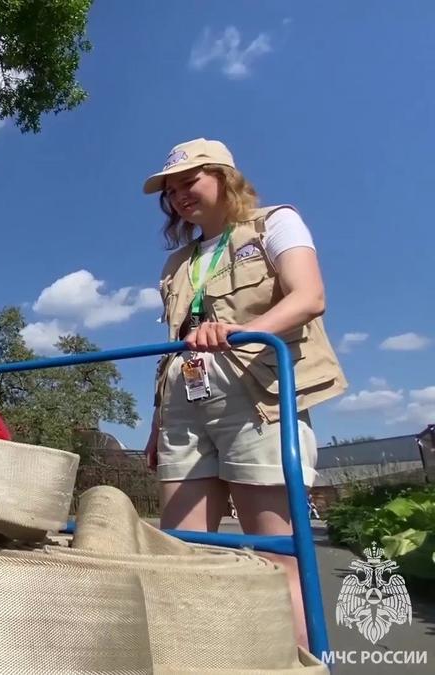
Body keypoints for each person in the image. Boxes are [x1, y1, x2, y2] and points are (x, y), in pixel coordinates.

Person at [141, 138, 347, 647]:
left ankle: (300, 660)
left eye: (190, 181)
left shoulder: (274, 222)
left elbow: (309, 296)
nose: (180, 195)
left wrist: (236, 333)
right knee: (183, 552)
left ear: (223, 176)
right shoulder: (176, 265)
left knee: (276, 554)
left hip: (257, 398)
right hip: (186, 409)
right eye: (170, 190)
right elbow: (175, 345)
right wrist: (156, 423)